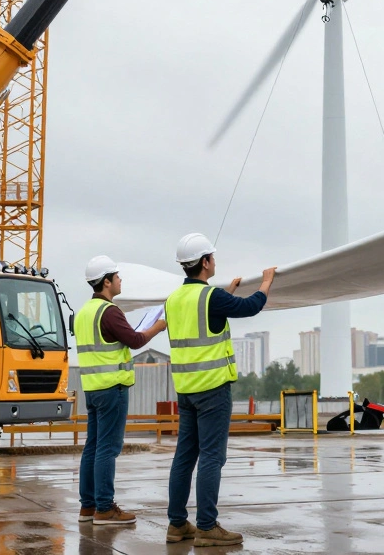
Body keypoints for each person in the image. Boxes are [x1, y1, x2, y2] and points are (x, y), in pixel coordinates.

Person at [165, 233, 277, 548]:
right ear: (205, 262)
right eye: (212, 257)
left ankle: (177, 525)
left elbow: (202, 318)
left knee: (184, 457)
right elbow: (251, 306)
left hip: (185, 391)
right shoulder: (211, 297)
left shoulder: (174, 300)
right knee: (212, 457)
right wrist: (266, 281)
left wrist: (227, 292)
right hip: (213, 390)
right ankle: (207, 527)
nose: (215, 261)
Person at [74, 255, 168, 526]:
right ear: (106, 282)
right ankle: (104, 508)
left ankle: (87, 507)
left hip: (92, 389)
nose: (120, 280)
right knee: (108, 448)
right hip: (112, 388)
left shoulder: (84, 313)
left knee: (92, 447)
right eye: (117, 276)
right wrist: (158, 327)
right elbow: (136, 340)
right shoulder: (110, 311)